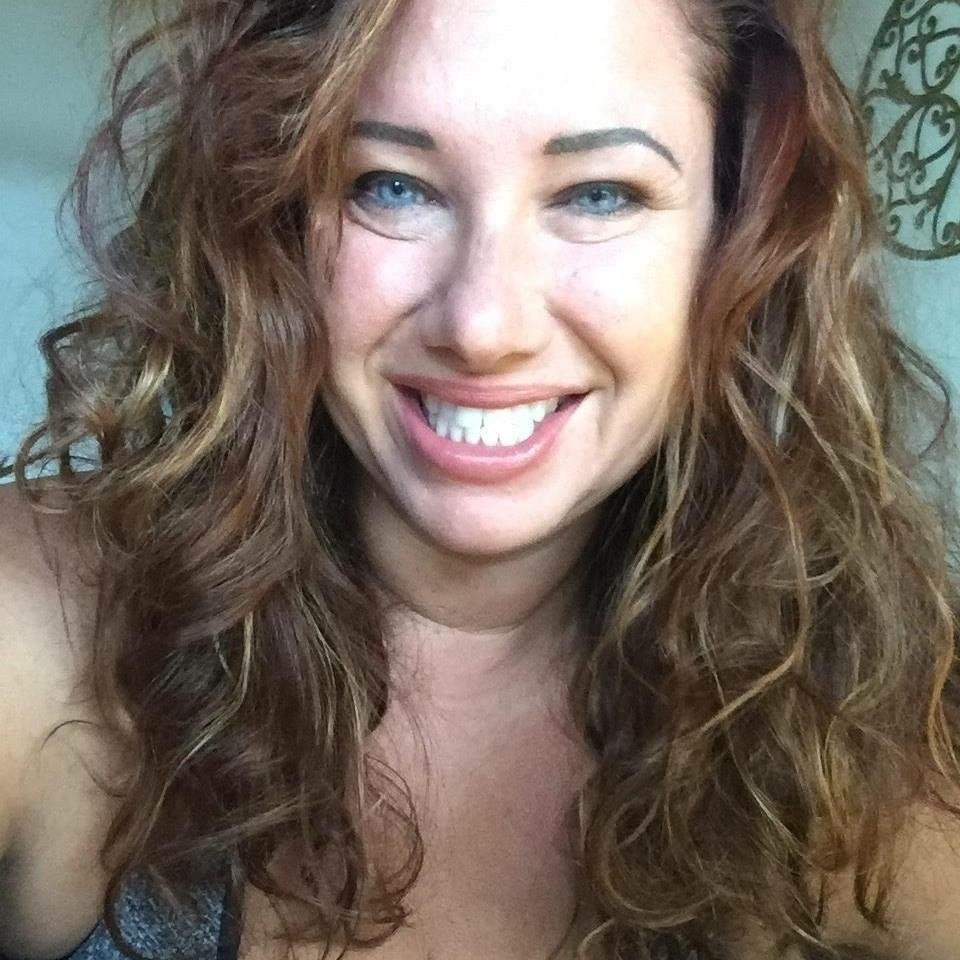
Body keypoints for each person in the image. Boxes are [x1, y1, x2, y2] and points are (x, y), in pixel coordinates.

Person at [1, 0, 959, 957]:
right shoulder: (41, 624)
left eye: (599, 195)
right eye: (391, 186)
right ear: (276, 220)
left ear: (734, 236)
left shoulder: (876, 735)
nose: (482, 327)